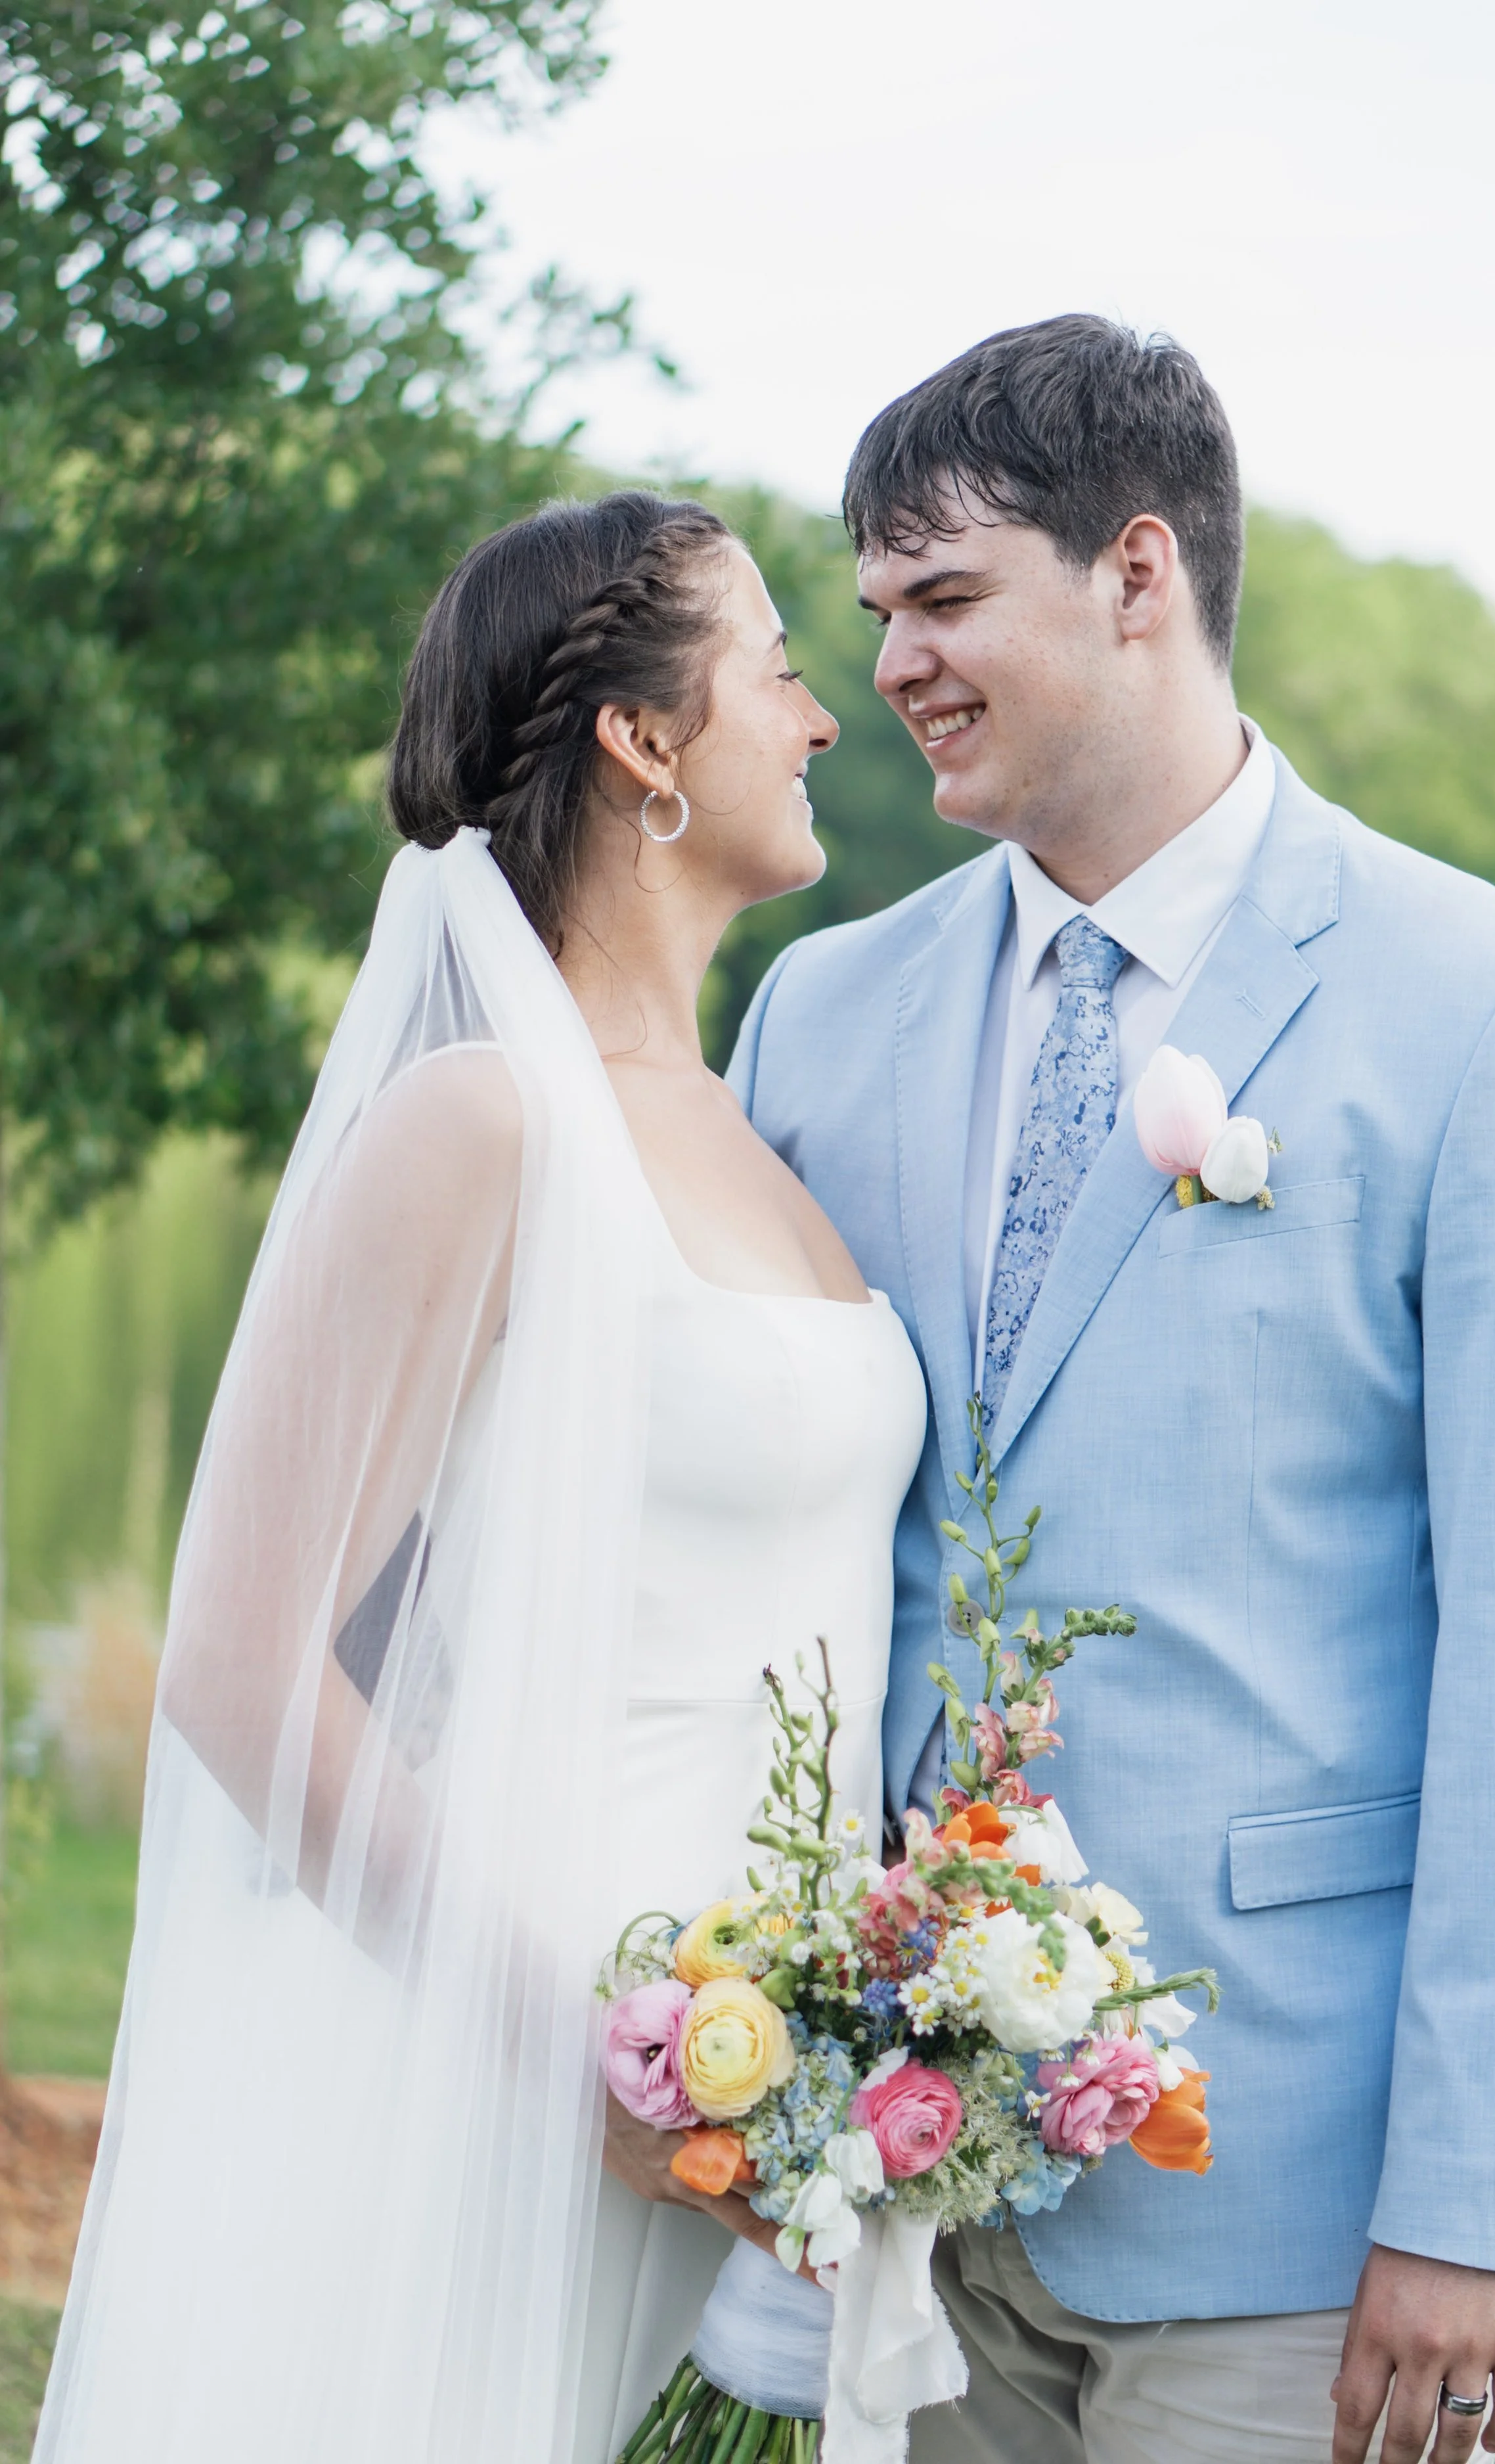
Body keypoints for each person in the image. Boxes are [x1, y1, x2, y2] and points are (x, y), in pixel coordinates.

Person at [727, 317, 1495, 2464]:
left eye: (944, 598)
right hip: (897, 2195)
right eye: (872, 615)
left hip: (1302, 2207)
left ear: (1138, 572)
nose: (894, 667)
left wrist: (1480, 2205)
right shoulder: (815, 1013)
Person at [33, 491, 927, 2464]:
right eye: (776, 667)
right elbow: (240, 1669)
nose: (820, 714)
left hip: (773, 2087)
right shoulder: (478, 1121)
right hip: (526, 2053)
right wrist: (579, 2063)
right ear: (640, 739)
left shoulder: (750, 1127)